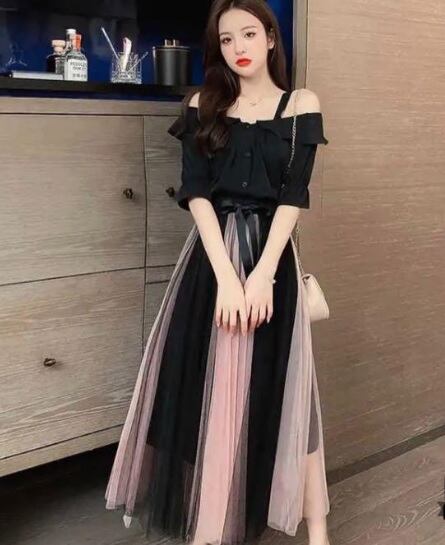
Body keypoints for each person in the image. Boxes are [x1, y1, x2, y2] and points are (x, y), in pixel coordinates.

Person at [104, 1, 331, 545]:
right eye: (227, 40)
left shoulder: (301, 104)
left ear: (271, 37)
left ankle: (318, 529)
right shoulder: (202, 104)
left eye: (248, 34)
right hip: (212, 266)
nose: (238, 48)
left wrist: (263, 275)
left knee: (290, 391)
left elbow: (293, 197)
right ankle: (210, 527)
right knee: (209, 394)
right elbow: (197, 193)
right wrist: (229, 278)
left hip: (272, 261)